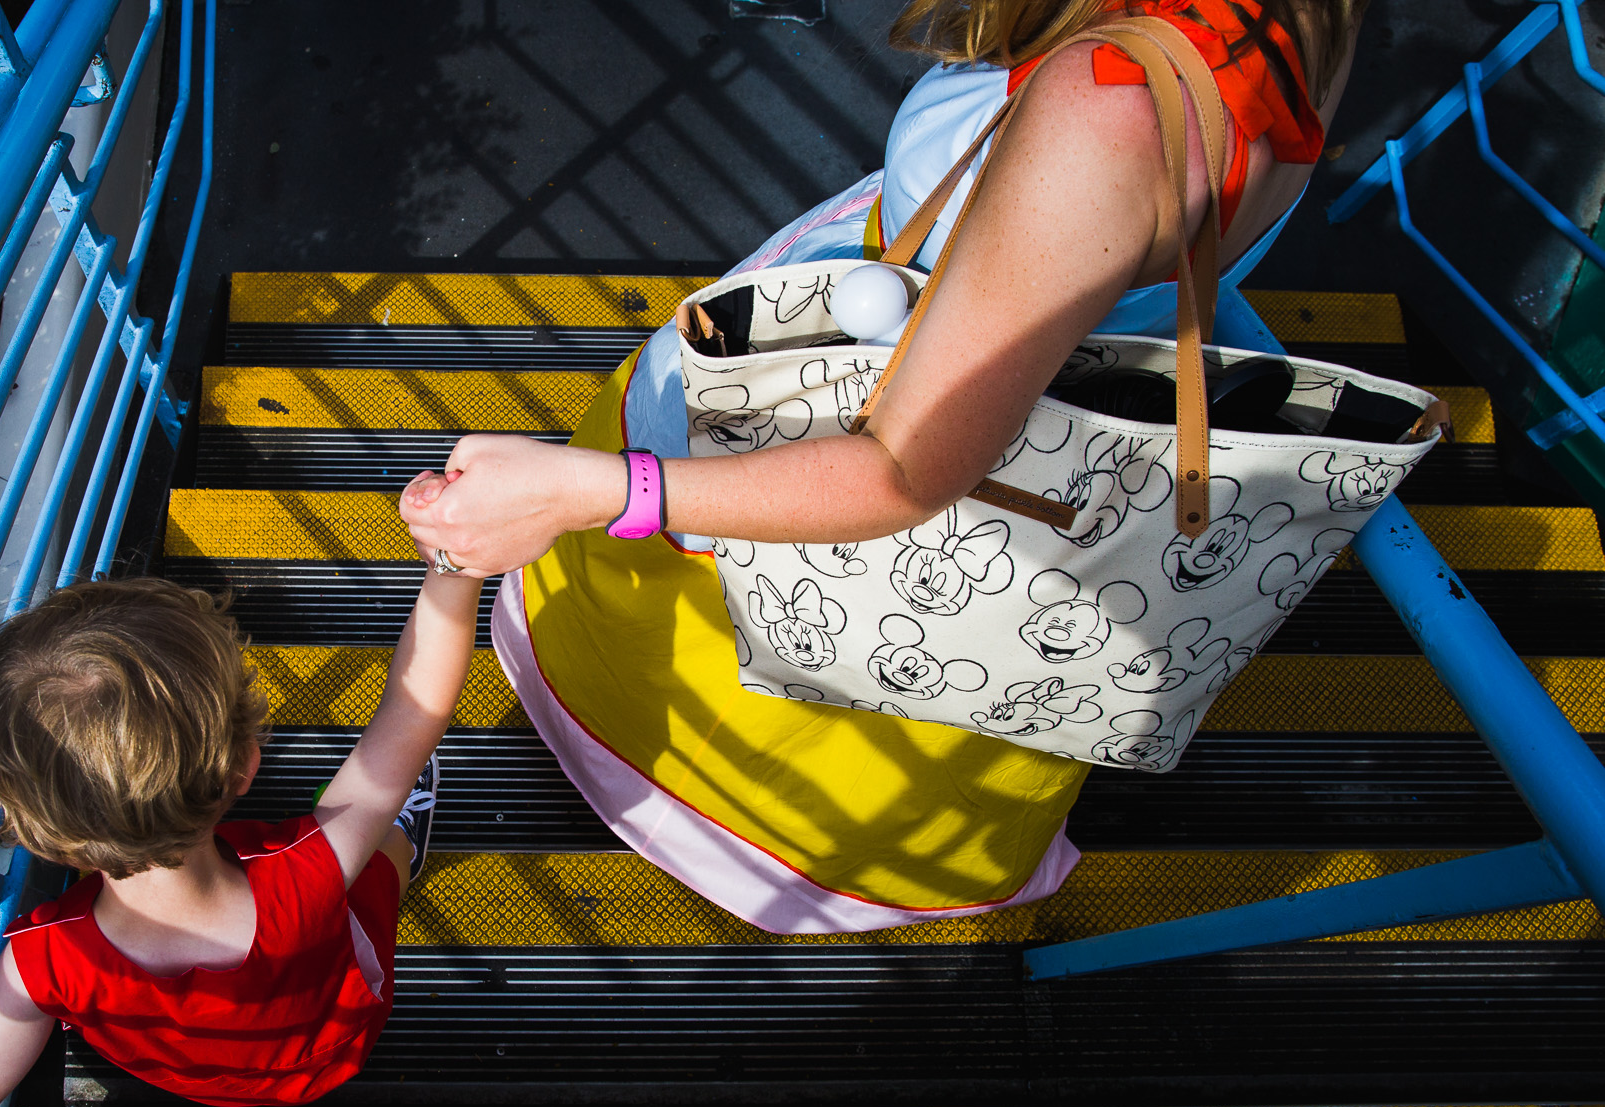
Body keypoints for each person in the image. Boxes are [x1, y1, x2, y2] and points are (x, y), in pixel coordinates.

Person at [401, 0, 1365, 934]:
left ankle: (704, 819)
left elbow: (904, 471)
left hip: (858, 440)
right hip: (1043, 463)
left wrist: (587, 491)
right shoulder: (1299, 18)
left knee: (734, 635)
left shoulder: (1107, 109)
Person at [0, 571, 480, 1107]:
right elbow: (415, 713)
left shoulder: (44, 962)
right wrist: (454, 566)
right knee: (375, 832)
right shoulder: (307, 860)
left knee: (354, 840)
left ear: (35, 827)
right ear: (243, 766)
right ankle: (398, 837)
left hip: (190, 1073)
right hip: (334, 1049)